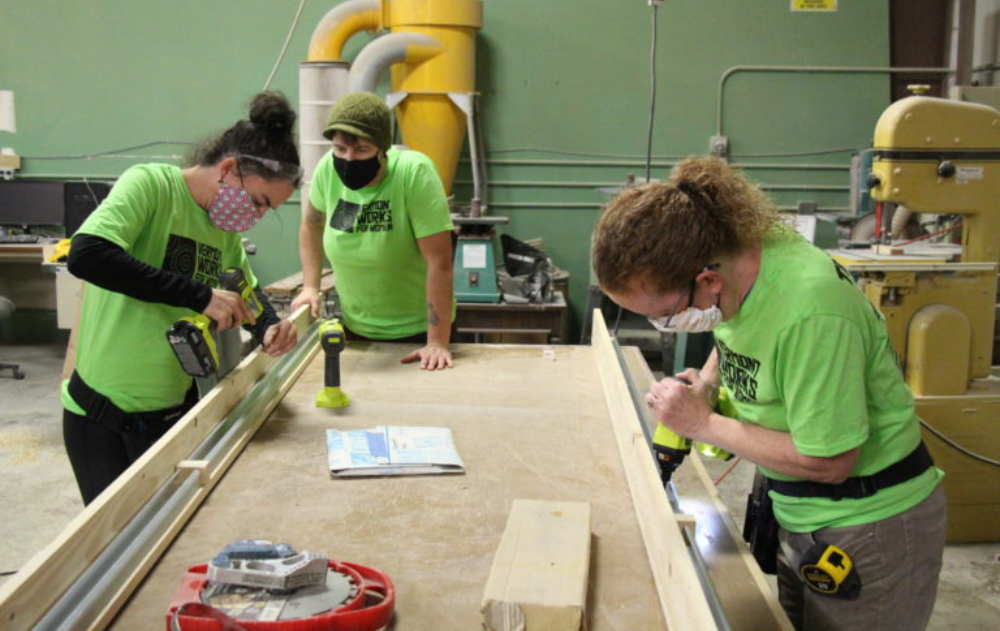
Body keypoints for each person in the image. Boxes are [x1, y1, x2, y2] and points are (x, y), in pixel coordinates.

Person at [591, 156, 946, 631]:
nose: (665, 326)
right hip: (797, 507)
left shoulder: (811, 312)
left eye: (666, 313)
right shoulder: (741, 254)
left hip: (867, 522)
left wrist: (701, 424)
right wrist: (711, 381)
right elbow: (741, 325)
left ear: (707, 280)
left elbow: (831, 462)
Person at [63, 92, 303, 505]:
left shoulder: (222, 231)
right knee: (110, 552)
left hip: (172, 413)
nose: (258, 216)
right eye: (259, 202)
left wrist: (269, 327)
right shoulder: (151, 186)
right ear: (229, 170)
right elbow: (87, 255)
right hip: (101, 415)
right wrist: (199, 295)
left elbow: (245, 291)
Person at [291, 91, 455, 370]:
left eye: (362, 150)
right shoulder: (327, 171)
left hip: (418, 334)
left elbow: (439, 263)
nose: (349, 159)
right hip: (356, 328)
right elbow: (311, 225)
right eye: (340, 149)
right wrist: (310, 286)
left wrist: (436, 342)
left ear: (383, 149)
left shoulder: (414, 174)